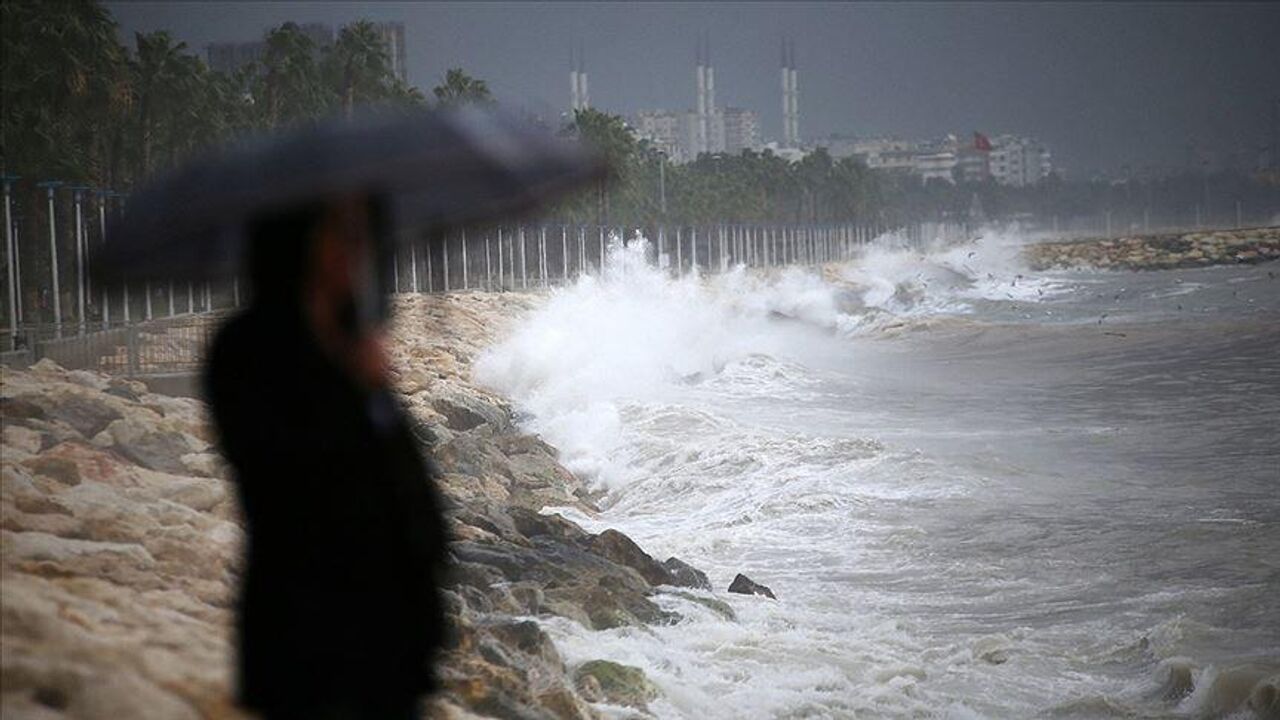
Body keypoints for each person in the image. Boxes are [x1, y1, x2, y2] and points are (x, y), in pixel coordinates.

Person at [204, 194, 449, 720]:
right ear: (298, 241)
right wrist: (351, 383)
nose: (356, 252)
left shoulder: (352, 338)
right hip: (306, 632)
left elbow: (403, 476)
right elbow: (279, 477)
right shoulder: (245, 348)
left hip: (391, 634)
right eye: (342, 234)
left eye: (362, 236)